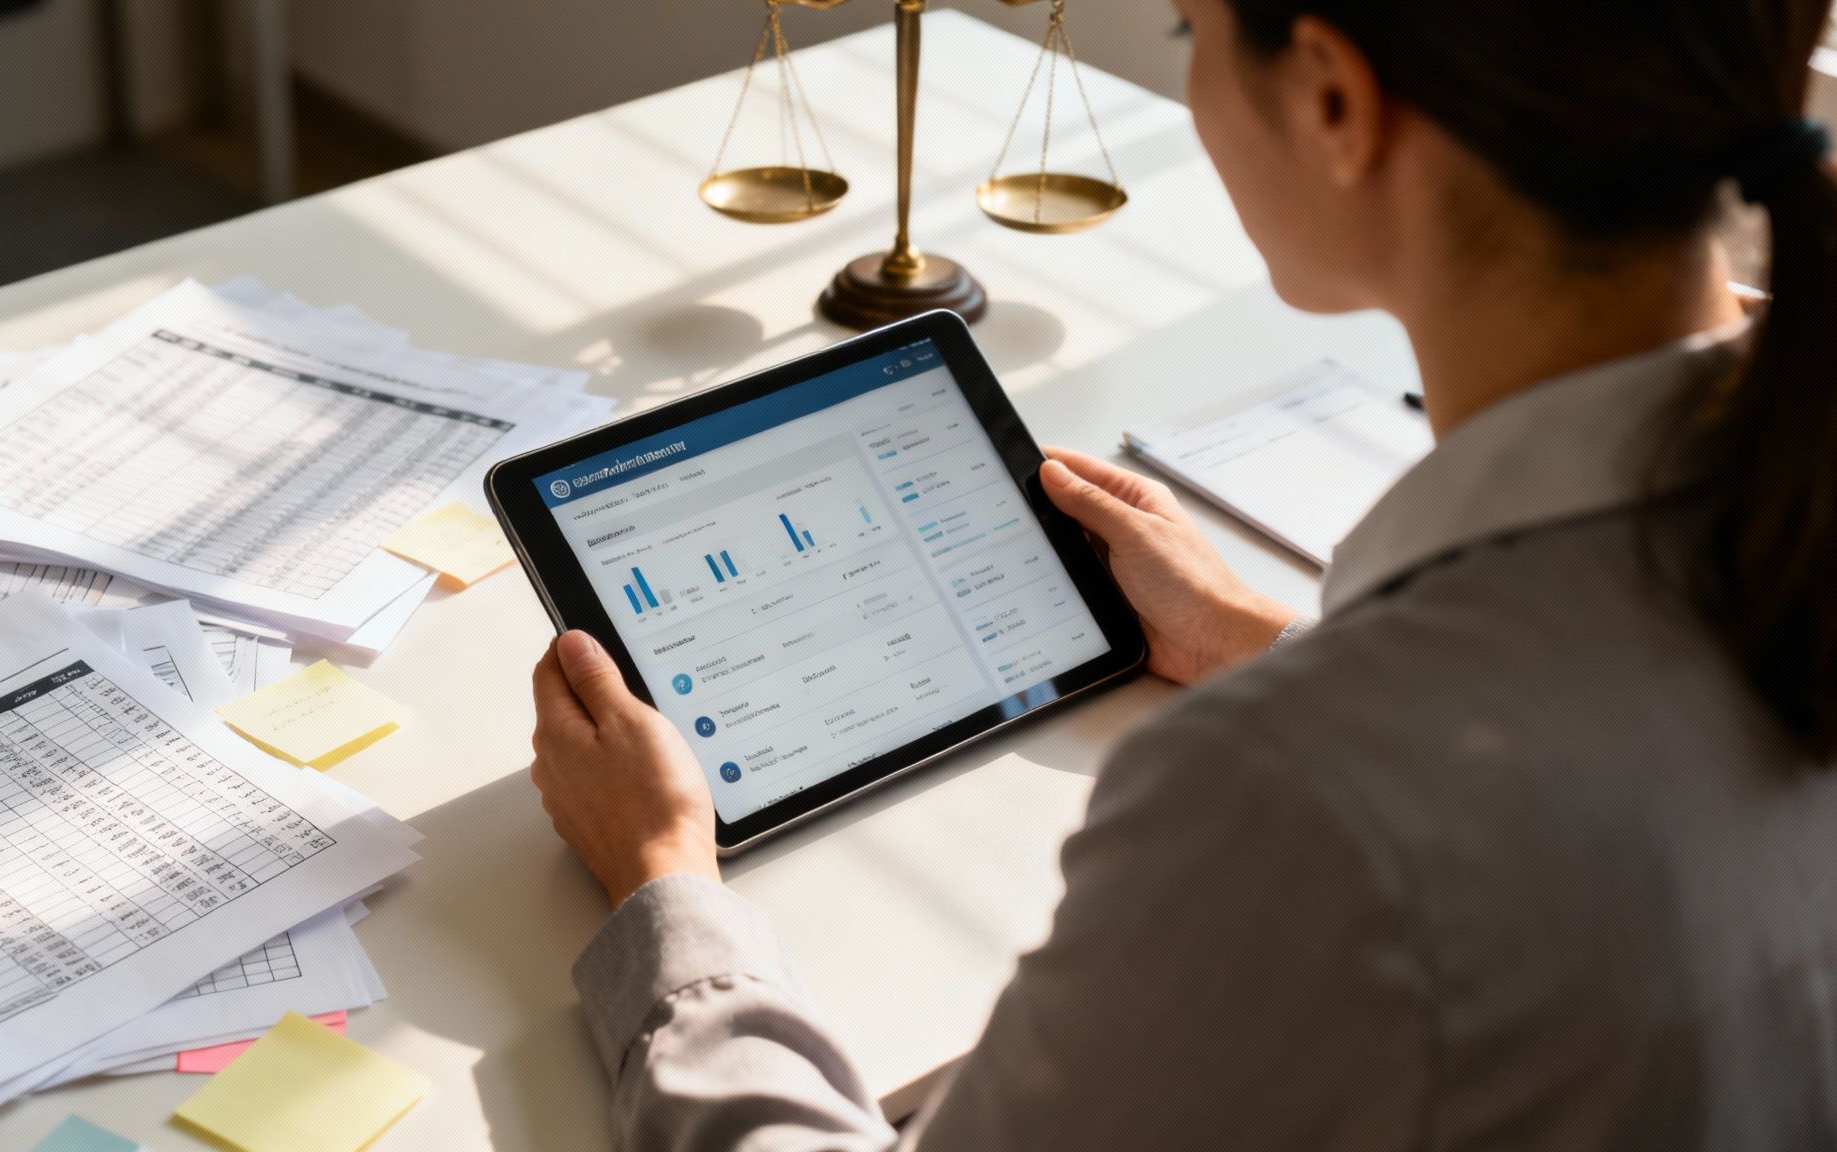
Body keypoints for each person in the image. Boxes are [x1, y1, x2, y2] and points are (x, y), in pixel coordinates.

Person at [527, 0, 1837, 1145]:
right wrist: (1265, 638)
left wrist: (663, 890)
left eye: (1186, 29)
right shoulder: (1782, 507)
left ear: (1332, 97)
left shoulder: (1293, 808)